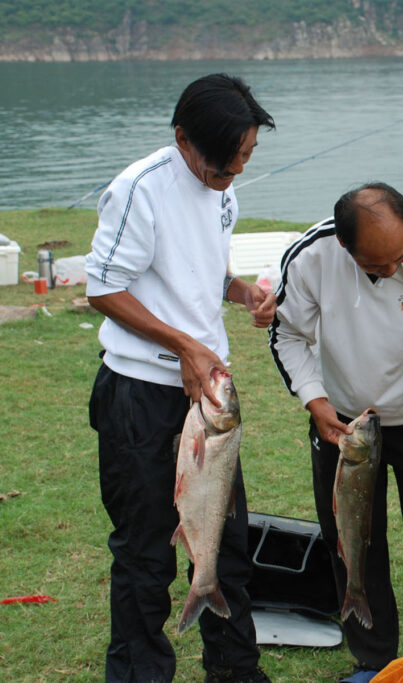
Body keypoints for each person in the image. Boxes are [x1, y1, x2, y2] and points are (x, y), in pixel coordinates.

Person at [86, 73, 277, 683]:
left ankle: (234, 672)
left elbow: (199, 275)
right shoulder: (139, 189)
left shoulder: (222, 193)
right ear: (182, 140)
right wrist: (182, 347)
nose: (236, 174)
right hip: (140, 394)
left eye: (246, 158)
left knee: (226, 542)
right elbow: (104, 287)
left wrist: (242, 291)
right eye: (225, 165)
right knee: (145, 552)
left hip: (209, 395)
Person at [269, 182, 403, 682]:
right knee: (352, 540)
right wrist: (315, 399)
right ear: (346, 248)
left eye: (398, 258)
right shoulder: (311, 257)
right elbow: (287, 333)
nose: (391, 270)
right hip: (345, 424)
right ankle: (374, 659)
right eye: (377, 266)